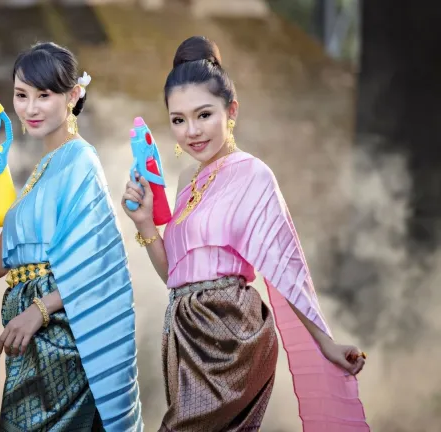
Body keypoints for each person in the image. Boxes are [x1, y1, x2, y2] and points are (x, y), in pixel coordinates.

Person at [121, 36, 369, 431]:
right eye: (178, 119)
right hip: (184, 332)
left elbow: (289, 267)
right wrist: (145, 224)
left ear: (231, 110)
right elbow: (174, 276)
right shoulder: (187, 177)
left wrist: (326, 342)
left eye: (204, 115)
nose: (191, 131)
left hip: (232, 330)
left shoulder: (253, 173)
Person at [0, 42, 143, 432]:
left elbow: (103, 265)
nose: (29, 108)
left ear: (73, 96)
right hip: (32, 350)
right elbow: (0, 265)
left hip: (67, 342)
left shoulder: (80, 160)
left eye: (43, 96)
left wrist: (39, 310)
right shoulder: (43, 169)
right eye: (21, 95)